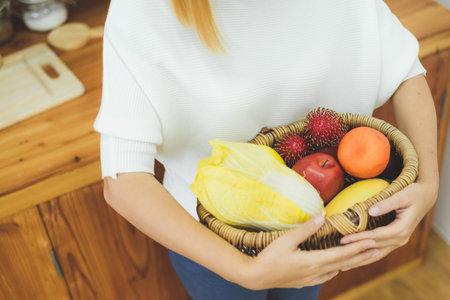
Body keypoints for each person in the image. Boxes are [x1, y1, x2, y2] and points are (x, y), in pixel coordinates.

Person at [93, 0, 439, 299]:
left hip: (318, 225)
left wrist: (428, 186)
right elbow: (123, 178)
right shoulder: (143, 12)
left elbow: (404, 71)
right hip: (212, 244)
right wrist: (246, 271)